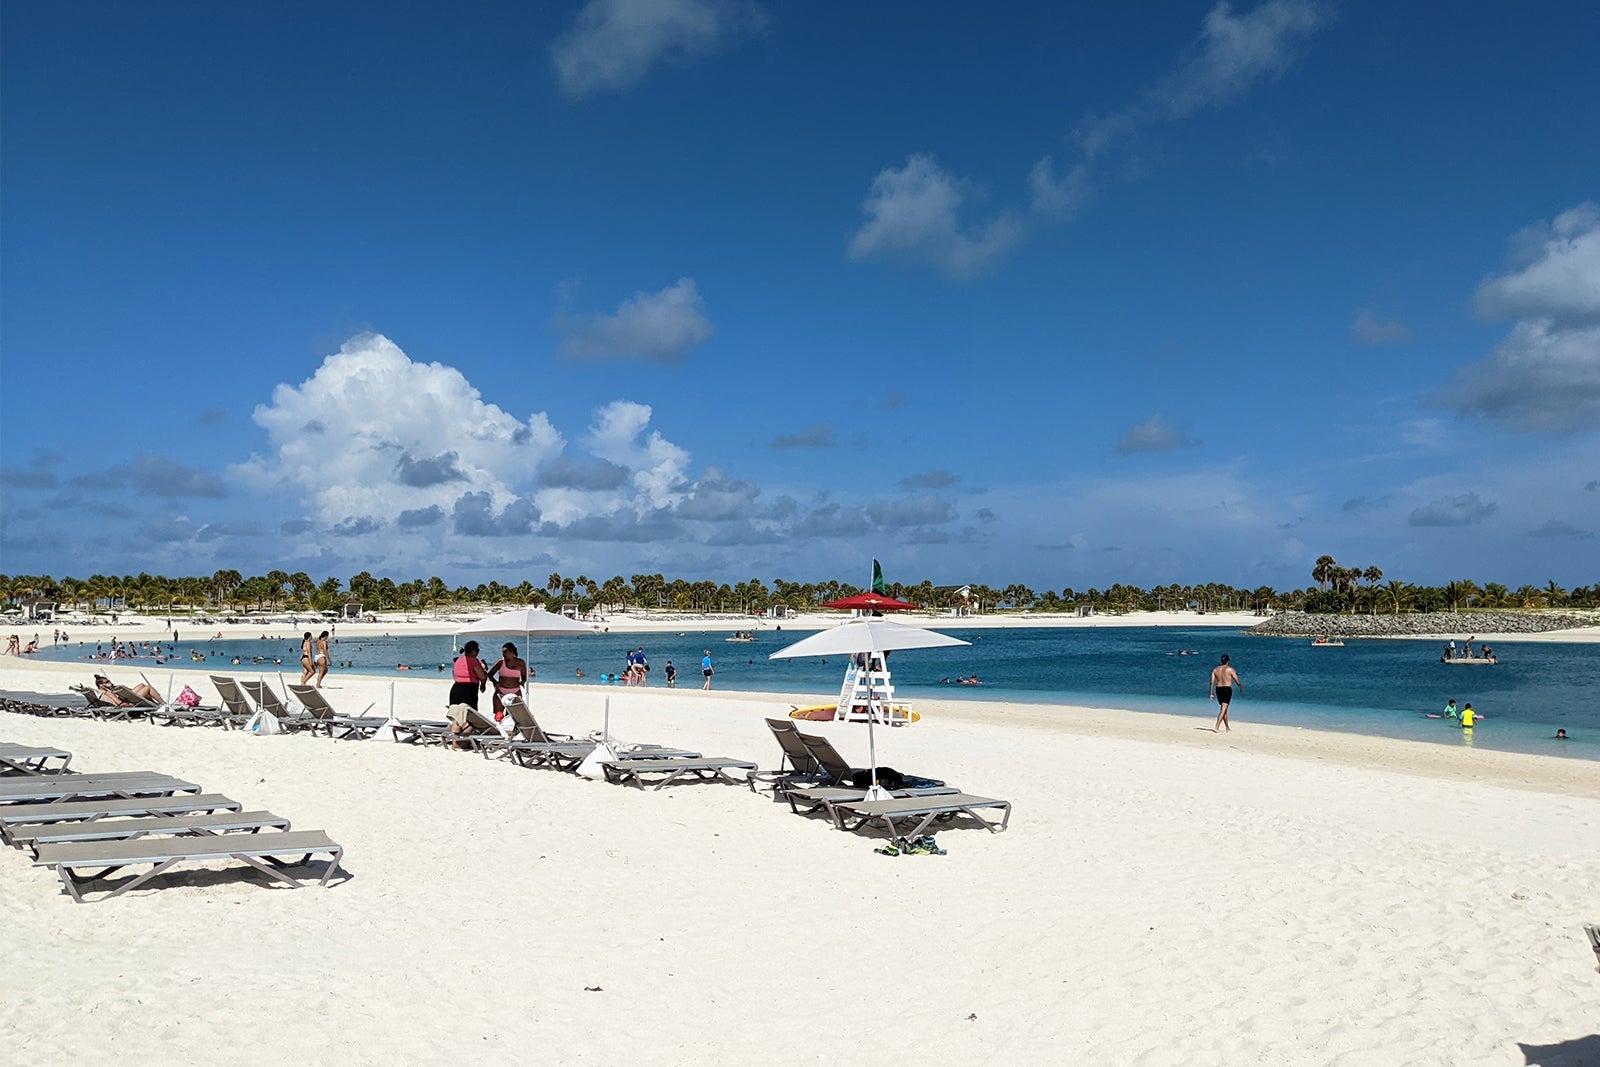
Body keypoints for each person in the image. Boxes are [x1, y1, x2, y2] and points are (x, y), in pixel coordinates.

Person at [447, 640, 489, 749]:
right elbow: (482, 676)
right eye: (478, 650)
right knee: (470, 718)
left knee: (457, 717)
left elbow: (456, 675)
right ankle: (464, 742)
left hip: (456, 689)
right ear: (474, 651)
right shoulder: (474, 661)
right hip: (469, 689)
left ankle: (455, 743)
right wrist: (483, 682)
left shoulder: (458, 661)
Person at [488, 642, 528, 722]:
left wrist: (522, 682)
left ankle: (509, 732)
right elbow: (490, 674)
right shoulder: (500, 662)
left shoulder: (521, 663)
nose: (503, 654)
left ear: (512, 652)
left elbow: (524, 677)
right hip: (501, 691)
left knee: (512, 717)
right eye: (503, 652)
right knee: (498, 716)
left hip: (515, 691)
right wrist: (495, 682)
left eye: (505, 652)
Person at [1209, 653, 1243, 733]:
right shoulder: (1230, 669)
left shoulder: (1215, 670)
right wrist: (1240, 687)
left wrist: (1211, 693)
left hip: (1218, 689)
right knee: (1223, 709)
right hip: (1226, 689)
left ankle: (1227, 728)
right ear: (1228, 661)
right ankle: (1216, 727)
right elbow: (1236, 679)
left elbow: (1212, 682)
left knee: (1224, 710)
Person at [94, 674, 162, 706]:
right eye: (106, 682)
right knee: (148, 688)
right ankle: (163, 704)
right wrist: (130, 705)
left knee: (142, 685)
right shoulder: (106, 692)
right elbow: (119, 703)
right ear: (101, 685)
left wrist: (112, 687)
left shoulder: (103, 690)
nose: (109, 683)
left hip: (127, 698)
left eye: (108, 681)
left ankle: (155, 704)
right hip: (129, 701)